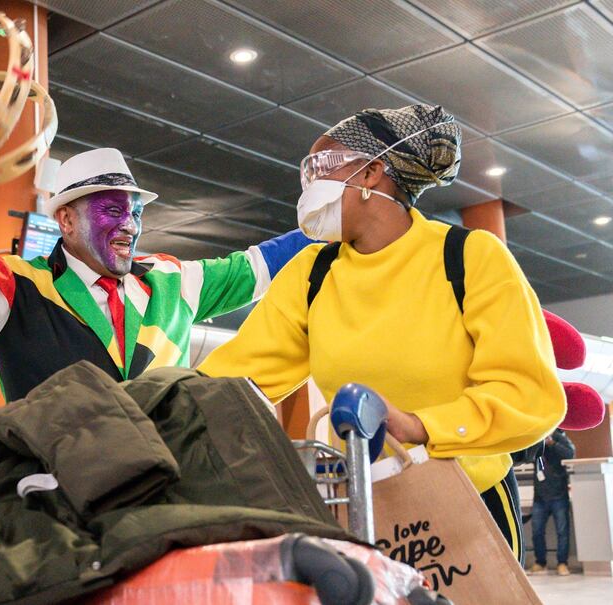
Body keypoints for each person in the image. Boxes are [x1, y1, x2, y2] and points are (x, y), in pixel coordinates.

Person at [199, 104, 566, 564]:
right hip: (360, 510)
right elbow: (235, 377)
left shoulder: (469, 256)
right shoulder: (311, 274)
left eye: (321, 168)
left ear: (373, 173)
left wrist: (418, 426)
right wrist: (149, 410)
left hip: (467, 502)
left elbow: (529, 396)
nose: (310, 185)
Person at [0, 146, 313, 401]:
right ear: (66, 220)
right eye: (112, 209)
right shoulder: (17, 287)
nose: (130, 223)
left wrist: (330, 218)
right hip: (54, 512)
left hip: (160, 502)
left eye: (135, 212)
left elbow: (261, 265)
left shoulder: (170, 280)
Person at [528, 429, 576, 576]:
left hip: (559, 495)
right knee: (536, 532)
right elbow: (527, 456)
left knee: (562, 532)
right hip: (539, 496)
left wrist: (552, 443)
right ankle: (540, 562)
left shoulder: (559, 436)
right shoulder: (536, 437)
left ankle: (562, 563)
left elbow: (570, 454)